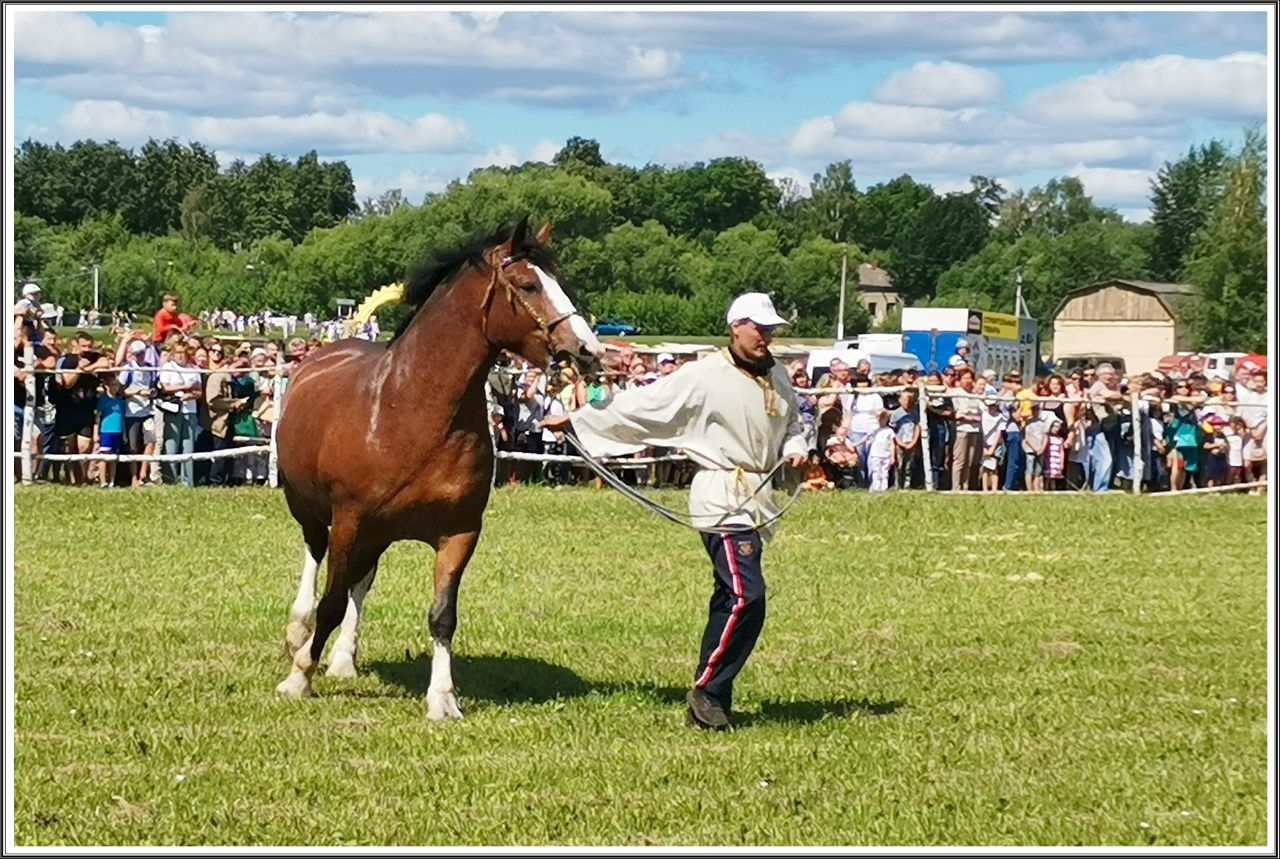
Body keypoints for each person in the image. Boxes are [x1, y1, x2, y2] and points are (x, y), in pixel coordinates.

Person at [542, 292, 808, 731]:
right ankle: (708, 690)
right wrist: (579, 419)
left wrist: (796, 449)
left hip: (757, 499)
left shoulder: (778, 374)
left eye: (770, 329)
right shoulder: (703, 375)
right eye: (758, 328)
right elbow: (644, 406)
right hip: (723, 496)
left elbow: (793, 424)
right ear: (735, 326)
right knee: (747, 595)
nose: (765, 336)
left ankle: (712, 699)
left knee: (730, 597)